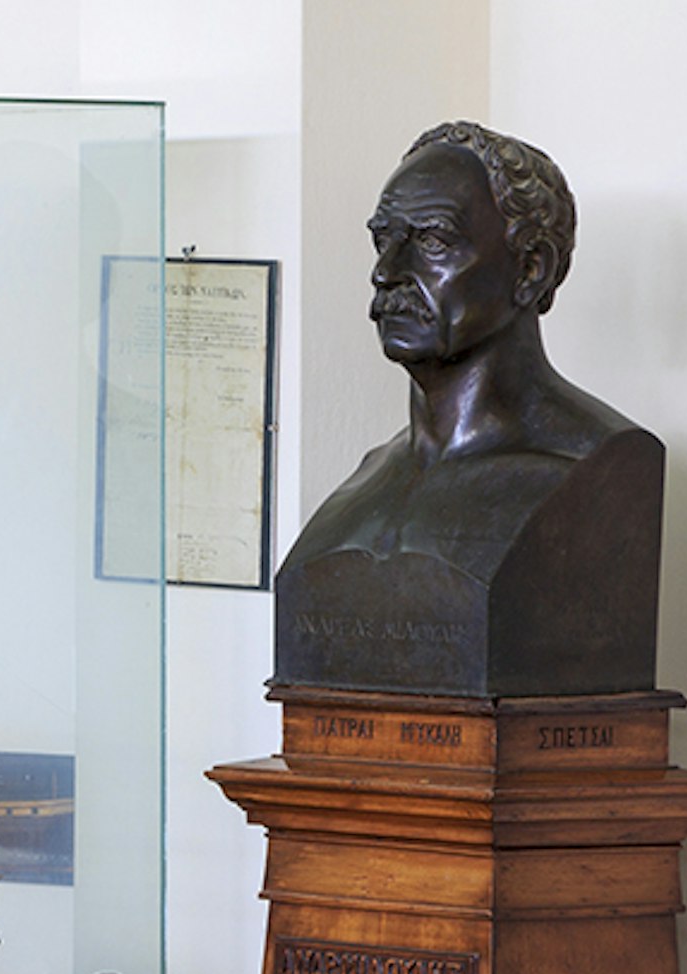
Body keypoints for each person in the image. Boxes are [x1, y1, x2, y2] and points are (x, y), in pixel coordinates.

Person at [271, 123, 662, 697]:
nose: (386, 271)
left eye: (431, 241)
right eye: (384, 240)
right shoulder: (361, 487)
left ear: (531, 270)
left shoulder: (595, 471)